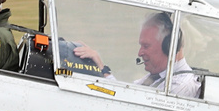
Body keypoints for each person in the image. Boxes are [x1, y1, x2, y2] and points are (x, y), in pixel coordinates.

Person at [71, 12, 202, 98]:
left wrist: (102, 68)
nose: (140, 53)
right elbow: (123, 95)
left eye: (146, 46)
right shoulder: (159, 77)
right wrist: (99, 68)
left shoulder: (178, 87)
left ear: (168, 47)